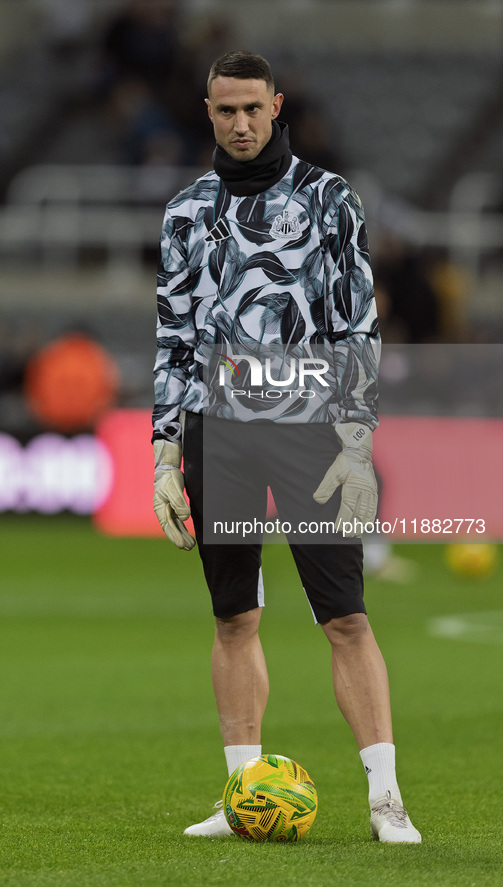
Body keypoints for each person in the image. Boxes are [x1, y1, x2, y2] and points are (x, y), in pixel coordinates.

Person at [152, 50, 421, 844]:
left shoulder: (329, 199)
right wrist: (164, 452)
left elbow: (355, 324)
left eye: (252, 109)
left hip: (309, 429)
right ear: (208, 111)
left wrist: (357, 435)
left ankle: (385, 799)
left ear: (276, 106)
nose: (240, 123)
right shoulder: (183, 213)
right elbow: (173, 338)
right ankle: (243, 794)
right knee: (233, 615)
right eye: (224, 110)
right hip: (216, 431)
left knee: (345, 617)